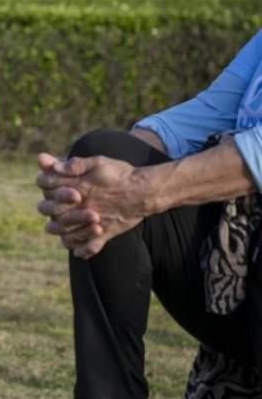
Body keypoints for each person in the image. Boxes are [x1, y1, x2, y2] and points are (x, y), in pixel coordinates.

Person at [36, 29, 262, 396]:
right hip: (238, 272)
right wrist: (91, 178)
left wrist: (139, 190)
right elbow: (210, 112)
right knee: (107, 152)